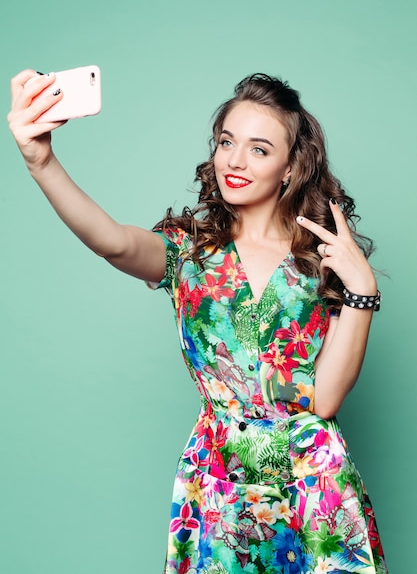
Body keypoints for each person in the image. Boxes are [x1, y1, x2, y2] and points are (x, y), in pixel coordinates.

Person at [8, 70, 387, 573]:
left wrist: (362, 291)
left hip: (313, 481)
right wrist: (42, 161)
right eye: (227, 141)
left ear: (291, 167)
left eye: (259, 148)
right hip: (217, 477)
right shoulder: (188, 252)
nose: (235, 160)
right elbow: (113, 242)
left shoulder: (322, 261)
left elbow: (326, 398)